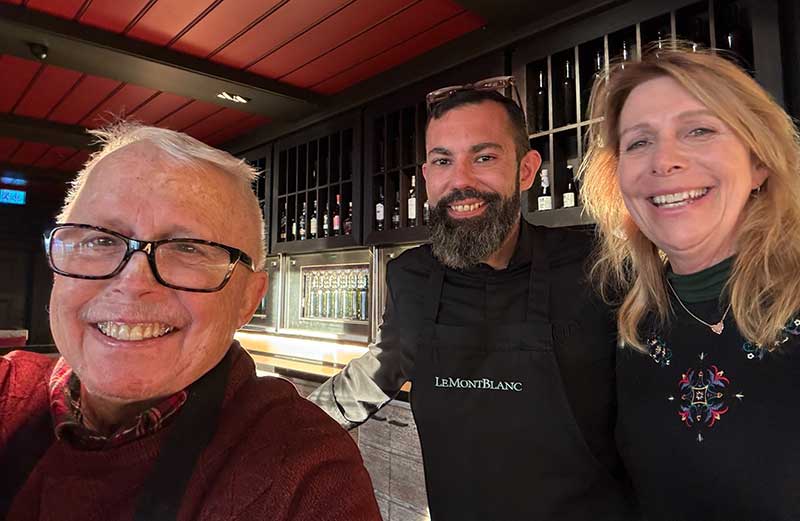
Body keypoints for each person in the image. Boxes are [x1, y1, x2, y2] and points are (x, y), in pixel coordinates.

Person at [0, 122, 381, 521]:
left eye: (188, 248)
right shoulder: (8, 390)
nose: (132, 283)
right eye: (101, 240)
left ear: (249, 299)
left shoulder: (303, 474)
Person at [309, 78, 639, 520]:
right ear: (426, 177)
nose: (459, 181)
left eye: (484, 157)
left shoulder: (600, 266)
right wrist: (292, 425)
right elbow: (386, 363)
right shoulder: (409, 275)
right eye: (442, 161)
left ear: (526, 169)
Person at [580, 44, 800, 520]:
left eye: (698, 130)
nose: (665, 161)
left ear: (758, 162)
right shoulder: (633, 327)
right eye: (638, 142)